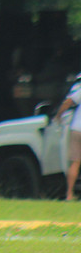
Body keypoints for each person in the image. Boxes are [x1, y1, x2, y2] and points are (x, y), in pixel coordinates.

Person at [55, 73, 81, 201]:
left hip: (77, 129)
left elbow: (68, 102)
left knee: (75, 162)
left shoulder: (79, 89)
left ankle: (69, 194)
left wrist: (58, 116)